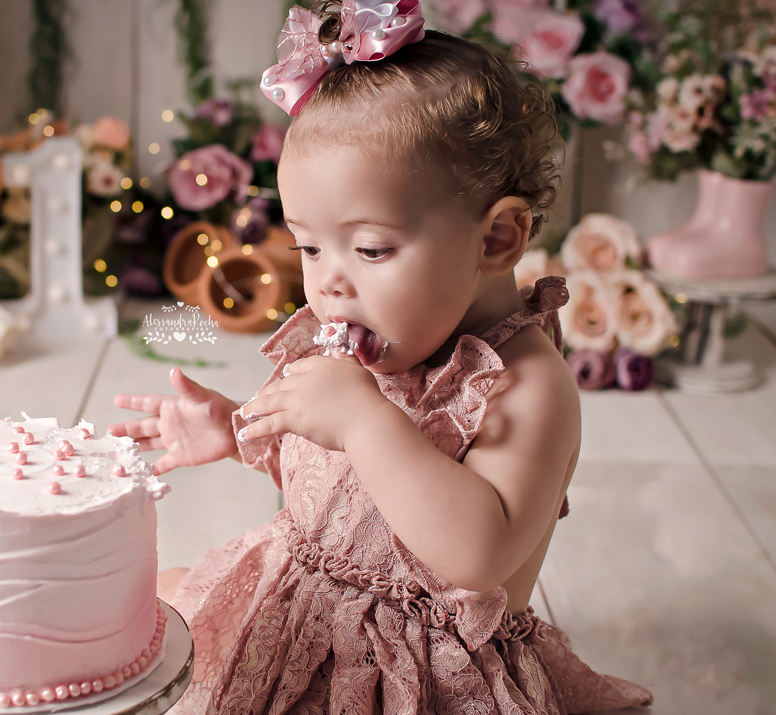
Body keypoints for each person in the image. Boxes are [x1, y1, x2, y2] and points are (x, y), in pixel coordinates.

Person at [110, 2, 654, 712]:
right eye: (309, 246)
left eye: (370, 248)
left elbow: (478, 552)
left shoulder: (527, 385)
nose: (329, 280)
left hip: (409, 669)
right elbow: (348, 487)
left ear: (496, 240)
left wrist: (365, 422)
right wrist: (244, 430)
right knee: (146, 599)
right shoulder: (389, 328)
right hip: (300, 604)